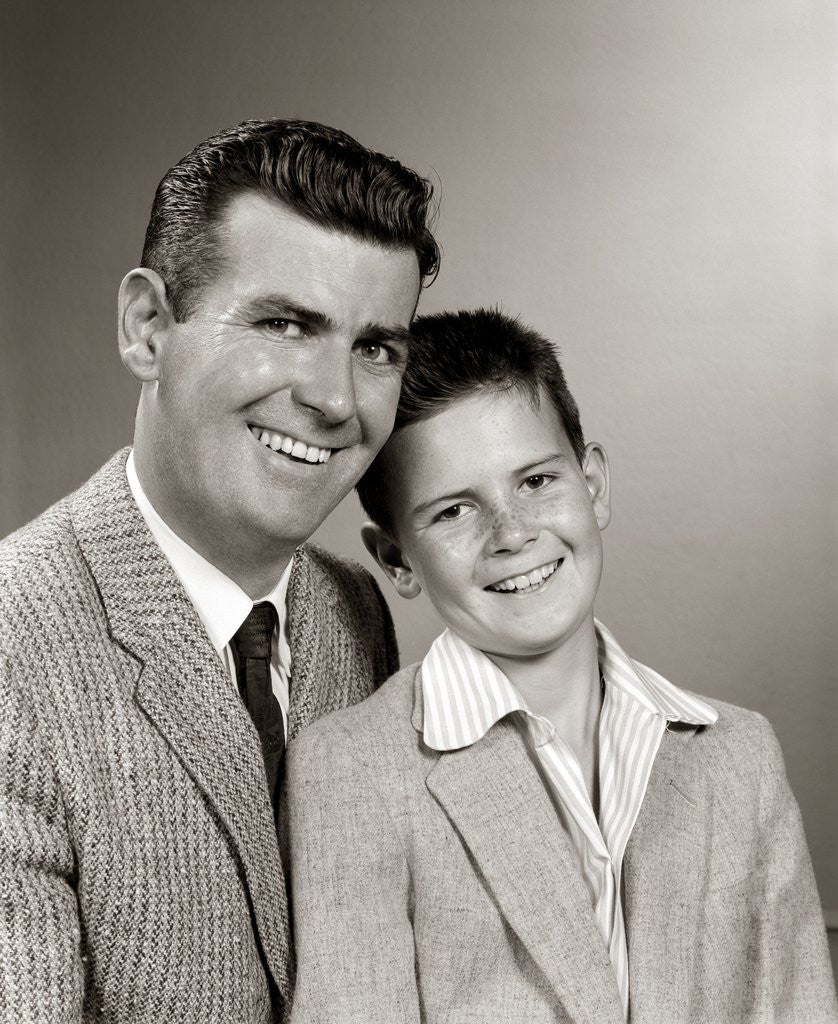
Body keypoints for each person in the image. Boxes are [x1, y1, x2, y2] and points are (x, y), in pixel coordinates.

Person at [0, 118, 439, 1023]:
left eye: (376, 348)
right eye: (284, 324)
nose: (333, 400)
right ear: (149, 328)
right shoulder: (14, 644)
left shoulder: (354, 612)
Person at [286, 308, 837, 1023]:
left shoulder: (739, 755)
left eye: (537, 481)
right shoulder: (353, 771)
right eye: (452, 512)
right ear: (396, 559)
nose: (512, 534)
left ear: (594, 484)